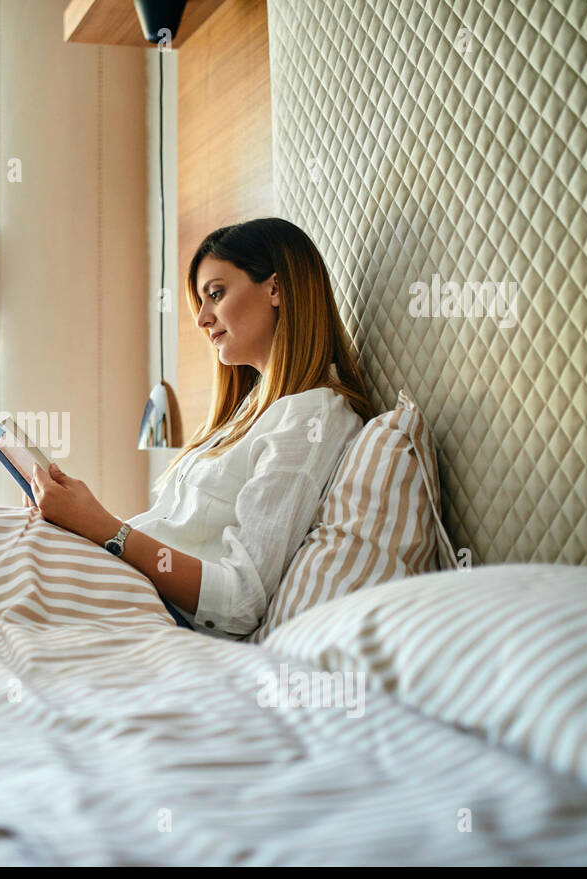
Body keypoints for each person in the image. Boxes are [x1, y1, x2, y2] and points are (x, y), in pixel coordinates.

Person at [27, 217, 377, 639]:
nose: (201, 319)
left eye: (216, 293)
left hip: (149, 612)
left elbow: (239, 600)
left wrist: (105, 529)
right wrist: (79, 520)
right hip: (121, 585)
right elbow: (177, 535)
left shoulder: (313, 415)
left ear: (276, 288)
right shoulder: (251, 409)